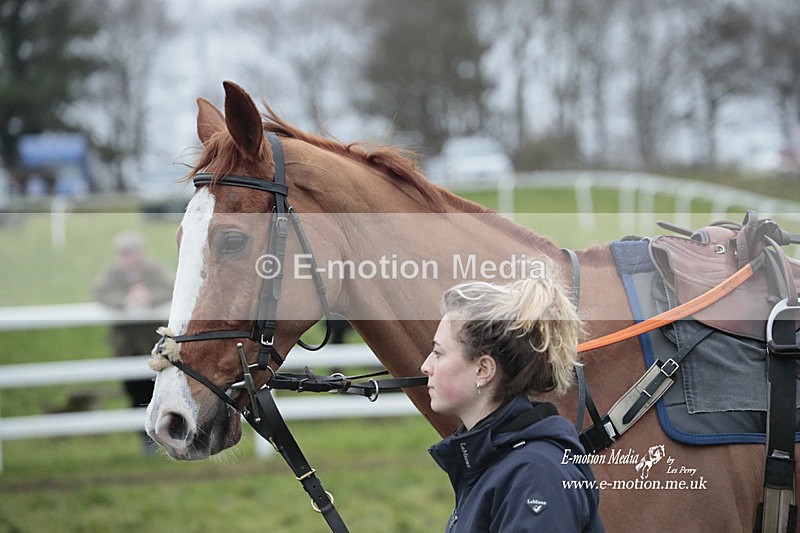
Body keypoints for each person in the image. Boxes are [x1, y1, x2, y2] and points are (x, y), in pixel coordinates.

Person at [422, 276, 604, 532]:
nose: (425, 366)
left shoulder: (536, 475)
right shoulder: (493, 462)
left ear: (483, 369)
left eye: (438, 353)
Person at [93, 231, 173, 451]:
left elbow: (169, 288)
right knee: (134, 393)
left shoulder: (154, 270)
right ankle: (146, 440)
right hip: (126, 347)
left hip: (154, 345)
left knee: (160, 389)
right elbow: (101, 293)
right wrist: (125, 300)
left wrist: (148, 296)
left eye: (132, 252)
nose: (129, 258)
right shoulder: (111, 274)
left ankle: (166, 434)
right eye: (124, 253)